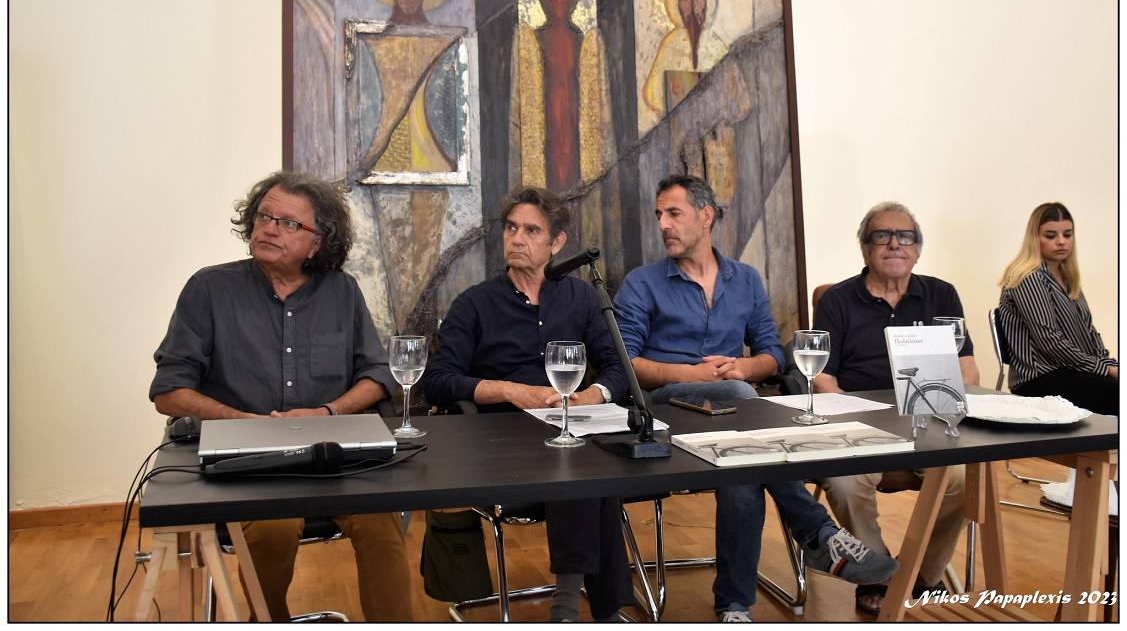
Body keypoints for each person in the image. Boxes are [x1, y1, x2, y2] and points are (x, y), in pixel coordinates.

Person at [613, 175, 899, 623]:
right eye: (659, 215)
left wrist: (745, 367)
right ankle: (818, 532)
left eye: (673, 213)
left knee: (742, 469)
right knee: (742, 401)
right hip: (666, 409)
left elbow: (771, 354)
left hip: (732, 421)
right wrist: (697, 374)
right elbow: (626, 363)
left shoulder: (744, 279)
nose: (663, 224)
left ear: (705, 217)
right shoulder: (641, 283)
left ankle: (734, 606)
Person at [149, 171, 414, 622]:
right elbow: (169, 392)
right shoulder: (209, 289)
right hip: (249, 461)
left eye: (289, 223)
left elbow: (376, 375)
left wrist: (328, 411)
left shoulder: (342, 291)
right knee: (274, 527)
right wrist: (244, 422)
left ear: (317, 243)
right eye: (264, 216)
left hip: (333, 454)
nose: (270, 228)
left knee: (381, 521)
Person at [420, 185, 634, 623]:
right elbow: (438, 381)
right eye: (511, 228)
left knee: (586, 459)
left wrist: (593, 395)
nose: (517, 238)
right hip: (500, 440)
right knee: (583, 466)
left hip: (569, 425)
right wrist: (510, 390)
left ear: (557, 243)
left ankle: (580, 608)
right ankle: (585, 609)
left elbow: (618, 367)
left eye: (531, 230)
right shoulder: (475, 303)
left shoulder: (581, 297)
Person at [812, 200, 980, 615]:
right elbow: (822, 377)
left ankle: (924, 572)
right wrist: (849, 416)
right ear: (865, 249)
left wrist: (954, 401)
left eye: (905, 237)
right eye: (881, 236)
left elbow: (967, 367)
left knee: (965, 478)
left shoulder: (941, 294)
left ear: (917, 250)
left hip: (929, 419)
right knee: (844, 483)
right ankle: (877, 573)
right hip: (861, 422)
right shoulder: (837, 300)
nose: (894, 244)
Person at [998, 202, 1117, 415]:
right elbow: (1050, 341)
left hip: (1071, 370)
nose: (1061, 241)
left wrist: (1107, 363)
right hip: (1039, 378)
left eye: (1067, 235)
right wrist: (1104, 369)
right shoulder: (1029, 278)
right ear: (1034, 238)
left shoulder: (1067, 277)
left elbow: (1090, 333)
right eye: (1051, 236)